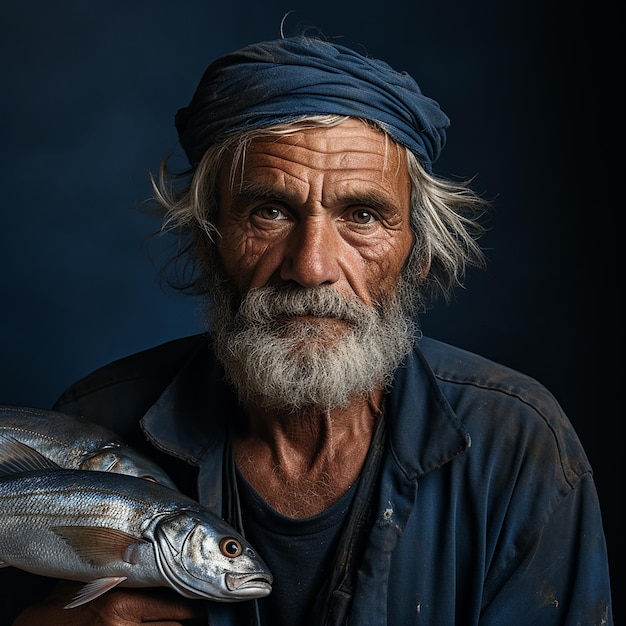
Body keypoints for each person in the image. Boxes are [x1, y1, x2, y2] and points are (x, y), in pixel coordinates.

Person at [7, 35, 613, 625]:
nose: (312, 267)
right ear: (207, 243)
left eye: (363, 215)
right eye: (269, 211)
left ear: (418, 254)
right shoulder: (95, 423)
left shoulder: (517, 447)